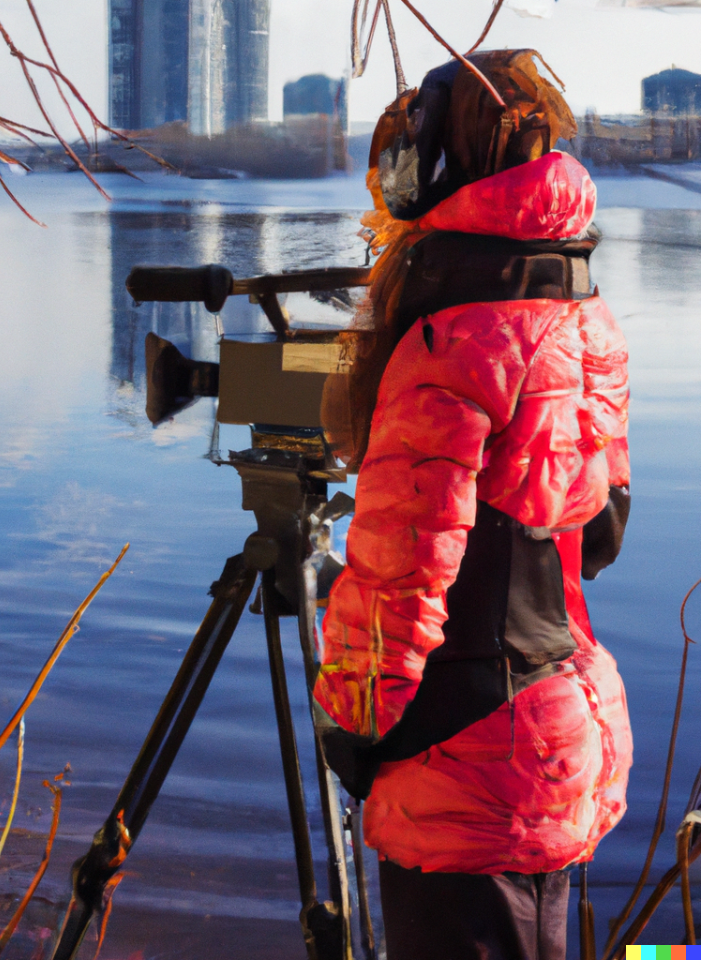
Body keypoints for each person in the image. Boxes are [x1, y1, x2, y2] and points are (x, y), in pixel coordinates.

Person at [313, 50, 633, 960]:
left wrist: (353, 721)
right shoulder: (582, 308)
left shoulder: (454, 335)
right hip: (565, 721)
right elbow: (601, 532)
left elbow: (401, 572)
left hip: (465, 760)